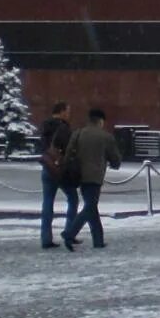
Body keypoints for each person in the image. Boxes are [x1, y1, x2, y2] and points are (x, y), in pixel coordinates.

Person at [60, 107, 122, 251]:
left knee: (91, 206)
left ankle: (98, 240)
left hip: (79, 175)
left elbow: (68, 154)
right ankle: (69, 233)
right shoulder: (106, 137)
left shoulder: (78, 133)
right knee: (90, 207)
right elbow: (116, 160)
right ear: (100, 121)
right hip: (95, 177)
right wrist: (112, 162)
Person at [39, 101, 77, 250]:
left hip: (47, 167)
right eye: (68, 111)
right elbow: (69, 149)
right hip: (60, 169)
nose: (69, 114)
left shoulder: (45, 126)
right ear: (61, 112)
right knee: (73, 198)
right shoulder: (63, 128)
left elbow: (43, 146)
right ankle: (70, 231)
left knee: (47, 202)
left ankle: (46, 238)